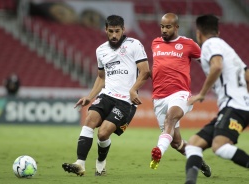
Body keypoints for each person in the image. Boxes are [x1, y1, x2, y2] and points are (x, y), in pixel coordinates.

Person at [62, 15, 150, 176]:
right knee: (89, 120)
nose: (114, 35)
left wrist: (133, 90)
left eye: (117, 31)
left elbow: (145, 72)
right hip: (107, 95)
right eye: (111, 31)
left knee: (103, 133)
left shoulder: (134, 45)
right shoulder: (101, 50)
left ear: (124, 30)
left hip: (126, 100)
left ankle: (101, 163)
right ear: (106, 30)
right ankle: (80, 164)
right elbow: (101, 77)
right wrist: (90, 96)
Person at [184, 14, 249, 184]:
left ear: (198, 33)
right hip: (237, 105)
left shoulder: (210, 44)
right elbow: (247, 73)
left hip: (234, 106)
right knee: (193, 144)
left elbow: (217, 65)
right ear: (218, 31)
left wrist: (202, 93)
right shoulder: (227, 48)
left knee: (219, 147)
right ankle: (190, 182)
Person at [149, 13, 211, 177]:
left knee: (171, 117)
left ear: (176, 27)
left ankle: (158, 151)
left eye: (168, 26)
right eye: (162, 26)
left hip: (180, 93)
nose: (164, 30)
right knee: (176, 143)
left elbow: (207, 63)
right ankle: (197, 160)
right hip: (158, 97)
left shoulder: (188, 44)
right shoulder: (155, 43)